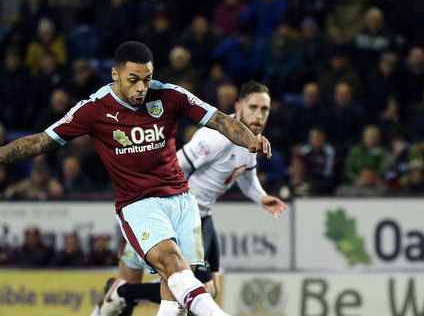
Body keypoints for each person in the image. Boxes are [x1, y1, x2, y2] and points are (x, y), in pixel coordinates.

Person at [0, 41, 271, 316]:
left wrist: (250, 140)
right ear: (115, 75)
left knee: (177, 292)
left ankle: (118, 296)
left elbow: (219, 119)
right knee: (174, 267)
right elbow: (42, 141)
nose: (141, 88)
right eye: (133, 80)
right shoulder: (94, 110)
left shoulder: (169, 96)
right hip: (139, 205)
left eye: (146, 79)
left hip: (181, 200)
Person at [95, 81, 287, 316]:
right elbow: (176, 166)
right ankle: (123, 292)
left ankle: (124, 292)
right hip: (181, 215)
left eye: (264, 109)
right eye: (253, 107)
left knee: (208, 288)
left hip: (204, 216)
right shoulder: (214, 138)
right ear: (238, 107)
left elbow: (246, 174)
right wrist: (165, 209)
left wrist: (261, 197)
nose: (259, 115)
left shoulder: (251, 141)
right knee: (191, 286)